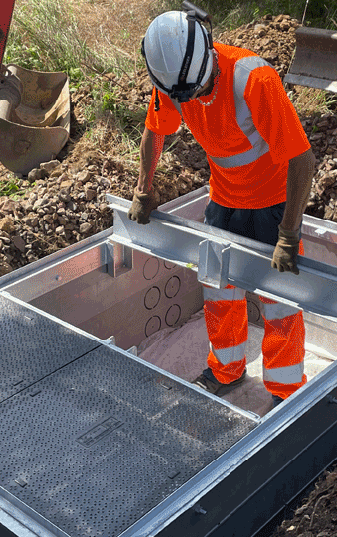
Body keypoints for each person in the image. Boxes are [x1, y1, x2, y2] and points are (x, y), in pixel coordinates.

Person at [129, 9, 316, 406]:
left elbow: (302, 160)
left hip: (272, 206)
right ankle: (225, 371)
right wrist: (143, 189)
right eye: (184, 96)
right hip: (223, 200)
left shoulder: (254, 80)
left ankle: (286, 393)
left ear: (208, 56)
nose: (191, 101)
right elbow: (154, 130)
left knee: (280, 304)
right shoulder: (175, 76)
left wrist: (289, 233)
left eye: (196, 91)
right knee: (219, 293)